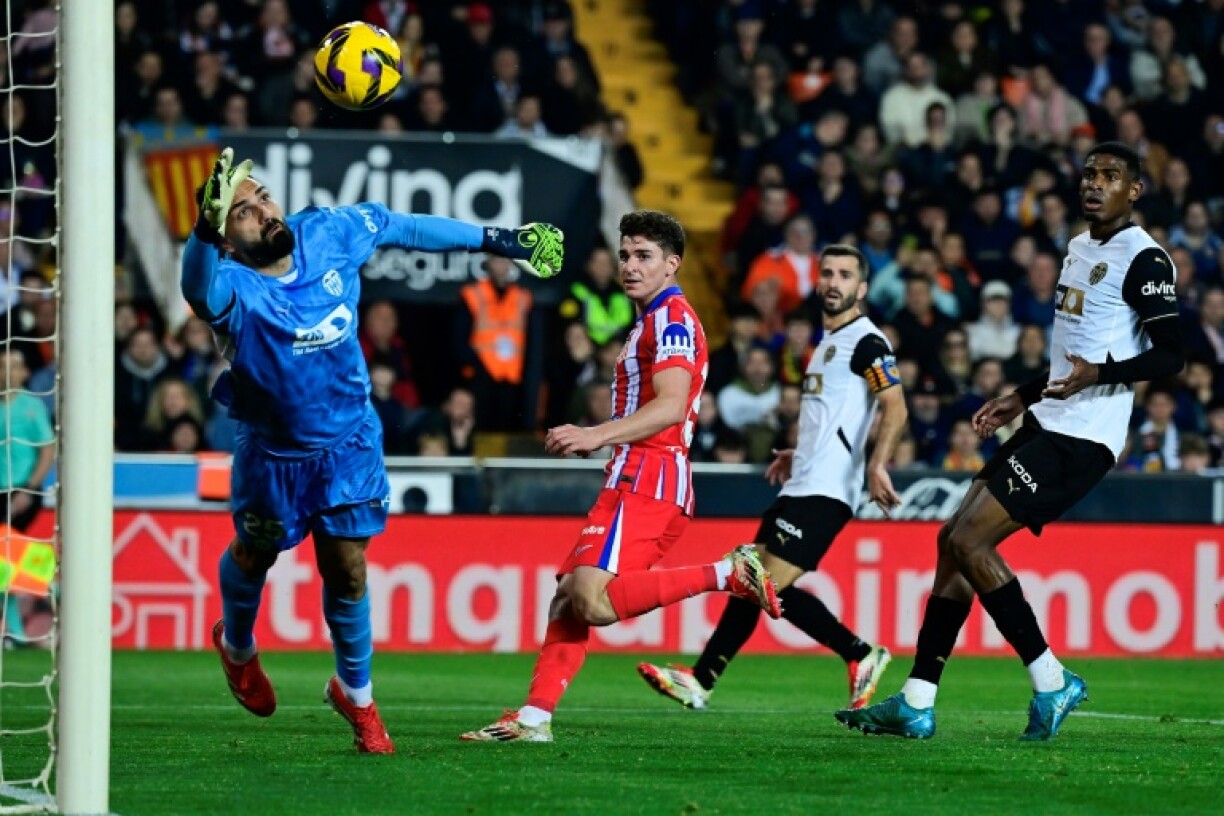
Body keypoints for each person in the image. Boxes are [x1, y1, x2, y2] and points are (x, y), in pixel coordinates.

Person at [181, 148, 564, 754]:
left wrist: (503, 238)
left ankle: (356, 696)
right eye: (243, 214)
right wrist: (204, 228)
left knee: (348, 567)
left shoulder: (328, 232)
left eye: (262, 199)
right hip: (274, 456)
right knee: (255, 555)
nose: (261, 212)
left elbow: (404, 226)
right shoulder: (232, 284)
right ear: (226, 242)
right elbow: (195, 288)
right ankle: (237, 648)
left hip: (349, 444)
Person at [837, 142, 1184, 741]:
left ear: (1135, 191)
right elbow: (1068, 352)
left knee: (971, 540)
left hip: (1084, 439)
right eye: (1089, 175)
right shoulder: (1078, 249)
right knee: (951, 541)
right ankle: (917, 701)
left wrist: (1098, 376)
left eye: (1110, 177)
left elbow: (1174, 354)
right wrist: (1022, 397)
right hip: (1048, 421)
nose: (1094, 185)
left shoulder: (1144, 258)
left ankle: (1053, 680)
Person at [460, 211, 782, 743]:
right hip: (631, 477)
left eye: (644, 256)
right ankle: (534, 719)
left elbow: (673, 406)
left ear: (672, 264)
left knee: (592, 601)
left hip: (651, 477)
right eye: (626, 255)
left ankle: (727, 573)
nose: (630, 266)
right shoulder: (648, 320)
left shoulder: (672, 320)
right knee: (569, 597)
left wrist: (595, 434)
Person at [637, 244, 906, 712]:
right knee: (751, 579)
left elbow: (895, 404)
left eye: (845, 275)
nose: (834, 282)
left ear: (862, 288)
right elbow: (834, 420)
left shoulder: (868, 341)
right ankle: (701, 681)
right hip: (803, 479)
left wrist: (876, 463)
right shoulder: (823, 348)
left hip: (827, 490)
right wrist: (796, 452)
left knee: (763, 582)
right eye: (827, 273)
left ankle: (860, 653)